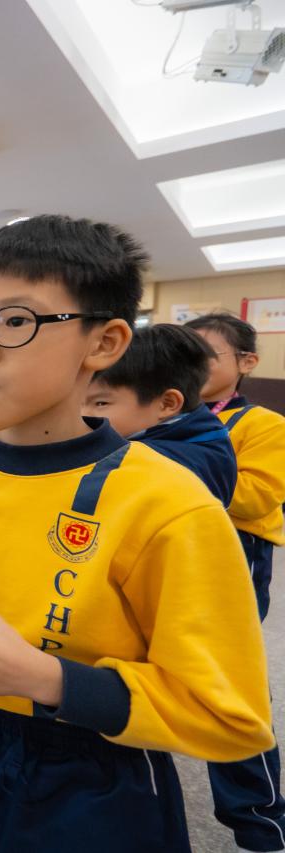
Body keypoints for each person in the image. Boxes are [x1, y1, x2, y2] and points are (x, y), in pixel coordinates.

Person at [0, 214, 272, 852]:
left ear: (104, 343)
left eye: (15, 321)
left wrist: (51, 679)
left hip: (92, 764)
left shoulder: (169, 503)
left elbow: (229, 715)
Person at [187, 312, 285, 853]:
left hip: (232, 557)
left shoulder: (261, 424)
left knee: (229, 681)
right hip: (163, 551)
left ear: (247, 362)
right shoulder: (163, 413)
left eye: (204, 354)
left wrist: (172, 473)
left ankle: (259, 819)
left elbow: (256, 497)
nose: (190, 365)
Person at [84, 324, 235, 507]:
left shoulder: (161, 462)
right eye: (78, 403)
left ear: (167, 404)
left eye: (101, 403)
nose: (83, 414)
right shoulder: (204, 435)